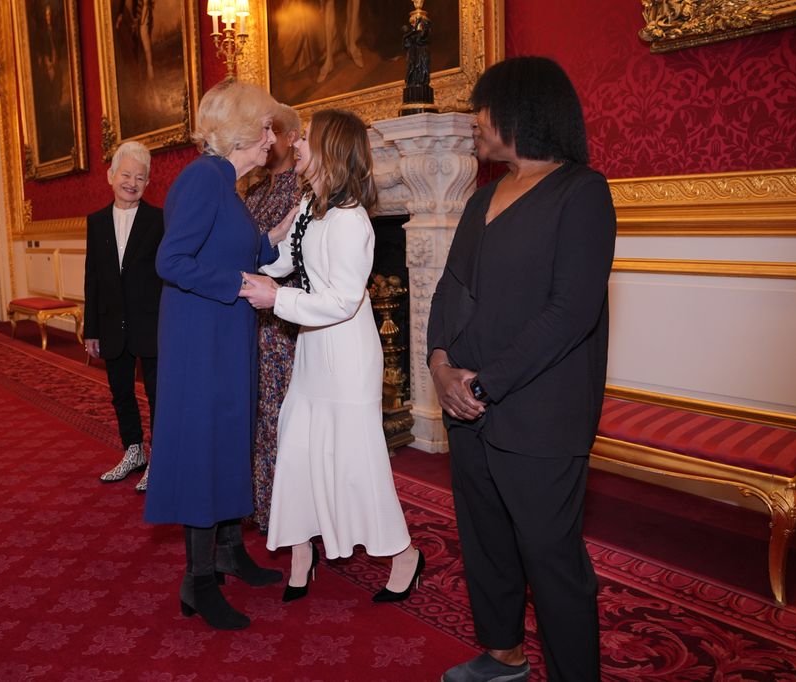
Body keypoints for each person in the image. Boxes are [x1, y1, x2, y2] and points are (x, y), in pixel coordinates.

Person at [428, 57, 616, 682]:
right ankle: (504, 654)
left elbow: (571, 313)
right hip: (468, 407)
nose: (474, 121)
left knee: (551, 558)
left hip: (538, 414)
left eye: (482, 108)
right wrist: (439, 364)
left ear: (523, 110)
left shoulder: (582, 192)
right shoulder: (483, 197)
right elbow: (449, 288)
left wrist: (485, 383)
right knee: (486, 542)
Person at [240, 109, 423, 605]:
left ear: (331, 150)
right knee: (297, 448)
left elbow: (343, 300)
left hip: (346, 355)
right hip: (313, 348)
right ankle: (302, 552)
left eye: (306, 139)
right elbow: (284, 260)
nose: (296, 145)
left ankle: (404, 555)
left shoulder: (350, 220)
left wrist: (276, 298)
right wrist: (249, 270)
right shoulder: (310, 206)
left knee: (357, 462)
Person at [144, 80, 295, 631]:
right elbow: (172, 261)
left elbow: (245, 250)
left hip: (226, 331)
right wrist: (240, 284)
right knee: (205, 447)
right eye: (265, 127)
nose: (271, 138)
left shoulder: (228, 185)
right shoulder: (204, 178)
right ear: (241, 130)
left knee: (232, 436)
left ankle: (229, 551)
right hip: (201, 337)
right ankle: (198, 579)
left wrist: (283, 230)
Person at [85, 140, 164, 493]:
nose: (132, 183)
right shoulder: (96, 222)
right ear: (110, 176)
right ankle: (134, 451)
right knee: (120, 392)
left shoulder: (159, 220)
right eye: (126, 175)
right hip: (111, 323)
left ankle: (159, 459)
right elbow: (92, 278)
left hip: (151, 323)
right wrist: (91, 329)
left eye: (140, 177)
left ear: (147, 183)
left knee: (157, 395)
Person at [244, 103, 303, 533]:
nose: (266, 141)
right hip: (252, 317)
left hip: (287, 321)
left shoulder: (303, 188)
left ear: (291, 137)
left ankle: (288, 513)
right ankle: (260, 504)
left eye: (273, 132)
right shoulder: (253, 191)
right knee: (259, 411)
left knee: (281, 413)